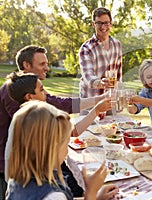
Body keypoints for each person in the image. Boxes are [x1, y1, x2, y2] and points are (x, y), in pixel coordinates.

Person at [0, 45, 106, 198]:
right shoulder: (23, 105)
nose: (47, 68)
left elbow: (61, 103)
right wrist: (90, 194)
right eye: (42, 64)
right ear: (26, 65)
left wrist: (98, 101)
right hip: (13, 166)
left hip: (33, 168)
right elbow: (68, 130)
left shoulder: (28, 90)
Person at [4, 72, 112, 179]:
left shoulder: (24, 114)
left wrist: (100, 100)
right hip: (36, 179)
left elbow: (66, 105)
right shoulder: (36, 120)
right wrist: (96, 110)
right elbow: (73, 132)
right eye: (41, 90)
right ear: (29, 96)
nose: (46, 93)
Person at [6, 101, 118, 199]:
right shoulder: (52, 195)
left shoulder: (19, 178)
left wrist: (96, 197)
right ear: (52, 148)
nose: (67, 151)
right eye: (66, 143)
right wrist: (91, 192)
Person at [79, 7, 122, 98]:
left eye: (106, 23)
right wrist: (100, 83)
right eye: (99, 23)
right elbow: (88, 76)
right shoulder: (86, 48)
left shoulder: (117, 45)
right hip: (90, 101)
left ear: (111, 24)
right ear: (93, 24)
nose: (103, 27)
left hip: (111, 99)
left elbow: (118, 75)